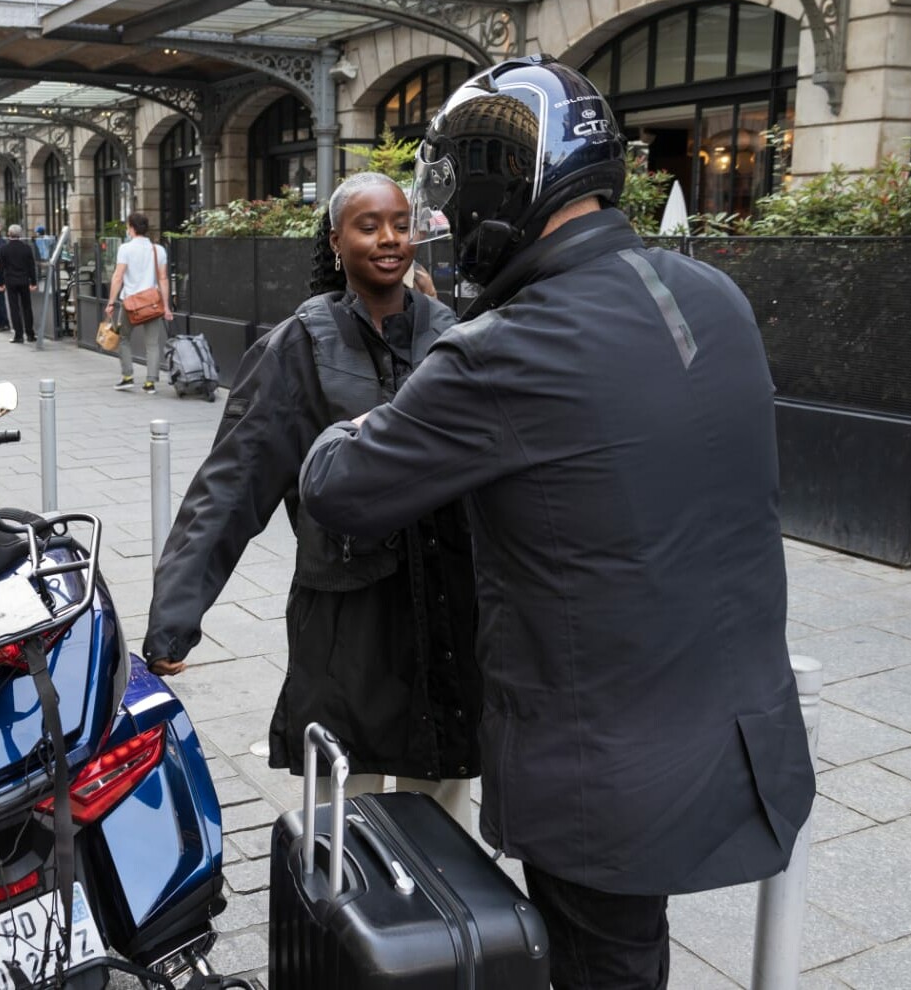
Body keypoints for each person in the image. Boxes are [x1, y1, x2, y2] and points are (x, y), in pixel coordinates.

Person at [297, 56, 816, 990]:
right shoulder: (715, 298)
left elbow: (341, 484)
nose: (445, 229)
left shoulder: (503, 349)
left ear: (505, 188)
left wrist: (360, 408)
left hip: (600, 771)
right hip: (740, 728)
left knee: (600, 964)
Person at [143, 172, 480, 825]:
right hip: (348, 620)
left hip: (444, 620)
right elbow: (232, 483)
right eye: (368, 224)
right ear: (335, 240)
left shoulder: (452, 335)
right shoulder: (301, 345)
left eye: (399, 223)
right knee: (345, 826)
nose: (389, 238)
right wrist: (174, 617)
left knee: (445, 822)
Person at [104, 213, 172, 393]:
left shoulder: (125, 249)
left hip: (130, 303)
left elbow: (118, 276)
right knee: (152, 344)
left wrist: (111, 301)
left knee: (124, 338)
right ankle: (150, 383)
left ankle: (127, 377)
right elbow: (163, 279)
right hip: (152, 303)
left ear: (131, 228)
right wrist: (166, 306)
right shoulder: (158, 250)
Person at [0, 223, 38, 344]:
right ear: (20, 234)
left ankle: (18, 335)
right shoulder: (26, 248)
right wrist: (33, 282)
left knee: (14, 308)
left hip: (11, 281)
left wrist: (1, 284)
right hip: (24, 281)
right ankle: (30, 334)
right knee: (27, 307)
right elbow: (31, 267)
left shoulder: (4, 249)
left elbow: (1, 268)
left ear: (9, 234)